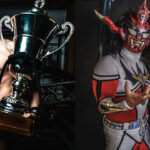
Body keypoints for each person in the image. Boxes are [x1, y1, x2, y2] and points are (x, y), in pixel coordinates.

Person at [92, 0, 150, 149]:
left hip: (144, 130)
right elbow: (102, 106)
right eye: (135, 34)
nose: (139, 40)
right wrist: (126, 104)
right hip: (121, 134)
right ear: (123, 32)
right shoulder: (109, 63)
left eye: (144, 35)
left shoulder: (142, 65)